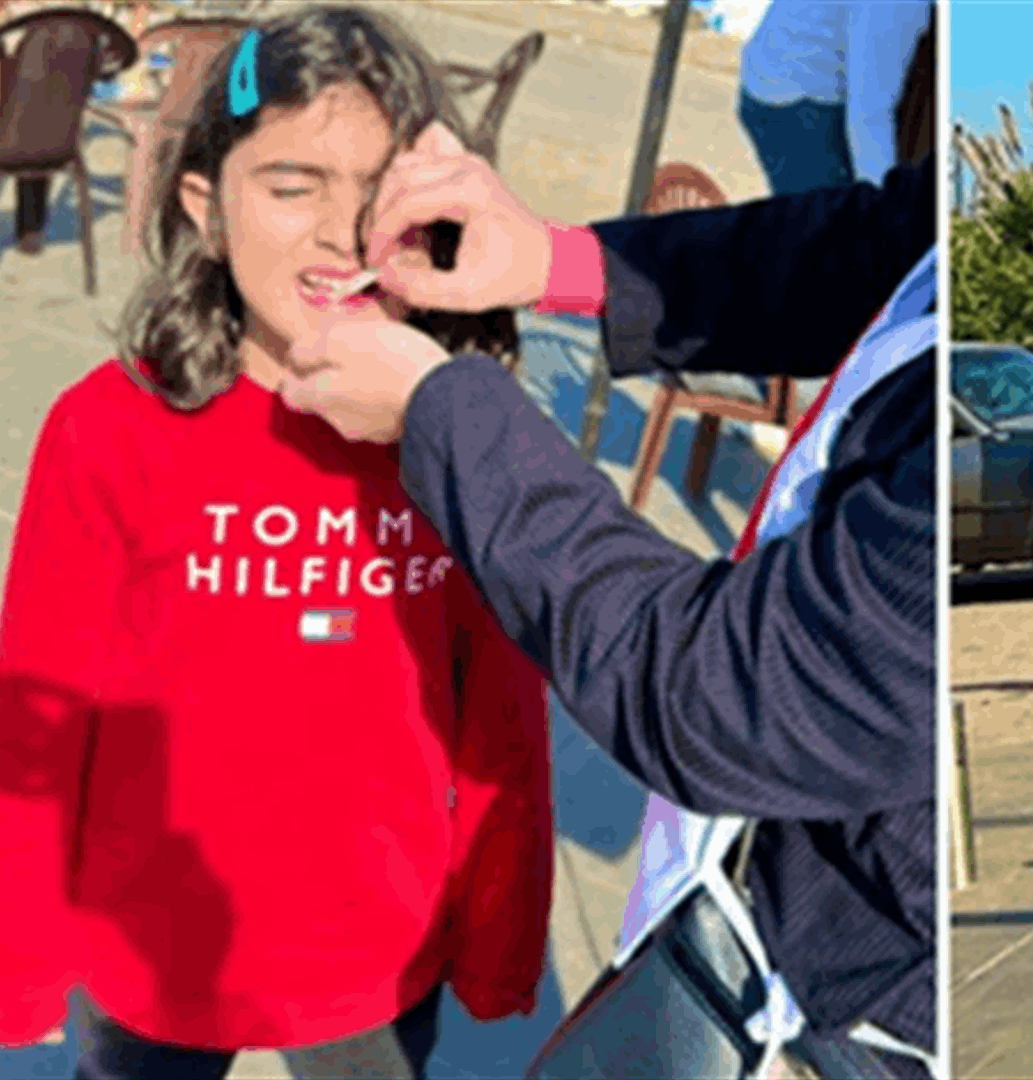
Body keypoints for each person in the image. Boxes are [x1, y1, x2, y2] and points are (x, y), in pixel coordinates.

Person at [271, 77, 938, 1080]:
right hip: (766, 886)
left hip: (849, 997)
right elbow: (888, 242)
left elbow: (725, 695)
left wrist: (445, 415)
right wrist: (559, 259)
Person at [0, 9, 554, 1079]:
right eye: (292, 186)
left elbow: (503, 719)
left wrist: (500, 932)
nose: (341, 234)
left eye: (378, 195)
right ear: (207, 206)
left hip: (373, 954)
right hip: (153, 947)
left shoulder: (464, 438)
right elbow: (38, 709)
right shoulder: (108, 431)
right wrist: (15, 961)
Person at [739, 0, 931, 193]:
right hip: (794, 99)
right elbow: (869, 115)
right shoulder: (896, 5)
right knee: (827, 214)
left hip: (776, 66)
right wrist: (886, 207)